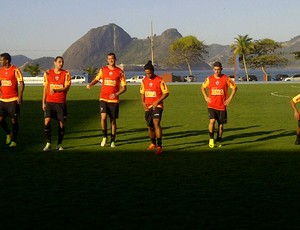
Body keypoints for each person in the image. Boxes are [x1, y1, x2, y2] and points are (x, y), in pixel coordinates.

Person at [86, 52, 127, 147]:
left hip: (114, 100)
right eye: (109, 59)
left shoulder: (120, 72)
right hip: (103, 98)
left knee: (113, 121)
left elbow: (124, 87)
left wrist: (116, 94)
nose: (110, 60)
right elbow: (96, 79)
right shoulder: (103, 70)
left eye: (112, 58)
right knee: (103, 117)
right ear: (107, 60)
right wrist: (91, 84)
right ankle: (104, 137)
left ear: (115, 59)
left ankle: (113, 140)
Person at [201, 61, 237, 148]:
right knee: (212, 121)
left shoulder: (226, 79)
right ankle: (211, 138)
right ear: (213, 69)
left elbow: (235, 88)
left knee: (221, 125)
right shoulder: (209, 79)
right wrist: (206, 97)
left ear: (221, 69)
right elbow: (202, 87)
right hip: (212, 105)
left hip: (222, 106)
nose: (216, 71)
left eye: (218, 70)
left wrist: (230, 98)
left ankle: (219, 139)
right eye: (215, 69)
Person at [42, 56, 71, 151]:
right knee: (46, 121)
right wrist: (43, 102)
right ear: (54, 62)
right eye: (59, 62)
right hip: (49, 102)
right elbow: (45, 88)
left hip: (60, 103)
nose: (61, 63)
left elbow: (66, 88)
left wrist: (56, 89)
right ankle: (48, 143)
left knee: (61, 124)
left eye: (62, 62)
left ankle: (59, 144)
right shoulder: (47, 73)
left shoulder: (66, 73)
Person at [140, 60, 169, 155]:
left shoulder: (160, 80)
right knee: (149, 126)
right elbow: (142, 93)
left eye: (149, 73)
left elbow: (166, 93)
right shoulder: (144, 81)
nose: (148, 75)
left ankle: (159, 146)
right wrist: (143, 103)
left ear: (153, 71)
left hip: (157, 106)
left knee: (156, 122)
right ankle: (153, 143)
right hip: (148, 107)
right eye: (146, 73)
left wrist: (157, 101)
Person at [0, 53, 25, 147]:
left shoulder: (15, 69)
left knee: (14, 120)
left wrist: (20, 96)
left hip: (13, 100)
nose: (0, 61)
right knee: (1, 120)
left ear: (7, 60)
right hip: (2, 100)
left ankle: (14, 141)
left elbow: (22, 83)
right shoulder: (0, 70)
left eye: (1, 60)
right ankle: (8, 133)